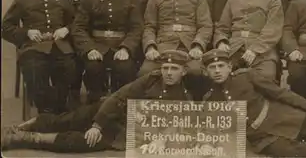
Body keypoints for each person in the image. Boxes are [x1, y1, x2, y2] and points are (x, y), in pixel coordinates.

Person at [1, 51, 194, 153]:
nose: (168, 73)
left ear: (183, 71)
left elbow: (180, 125)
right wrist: (97, 124)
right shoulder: (151, 78)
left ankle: (22, 139)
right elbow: (119, 96)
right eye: (165, 68)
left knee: (80, 141)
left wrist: (162, 139)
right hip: (113, 112)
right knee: (72, 118)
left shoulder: (186, 96)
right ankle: (20, 127)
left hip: (126, 131)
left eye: (174, 69)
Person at [2, 0, 76, 114]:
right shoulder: (23, 0)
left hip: (60, 47)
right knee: (35, 70)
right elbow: (5, 27)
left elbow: (77, 23)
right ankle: (46, 111)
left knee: (70, 68)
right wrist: (26, 32)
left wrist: (66, 29)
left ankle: (60, 108)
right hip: (33, 47)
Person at [71, 0, 143, 103]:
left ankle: (121, 106)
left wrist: (126, 48)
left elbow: (136, 28)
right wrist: (89, 49)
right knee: (93, 68)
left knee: (126, 69)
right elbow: (78, 28)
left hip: (120, 47)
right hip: (97, 46)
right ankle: (95, 105)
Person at [139, 0, 213, 78]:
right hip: (162, 47)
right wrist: (151, 47)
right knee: (145, 72)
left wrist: (198, 46)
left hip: (189, 47)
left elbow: (205, 26)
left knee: (196, 73)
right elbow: (149, 27)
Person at [214, 0, 284, 80]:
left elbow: (273, 30)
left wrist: (255, 50)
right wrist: (221, 42)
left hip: (262, 53)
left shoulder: (273, 0)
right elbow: (222, 28)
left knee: (266, 76)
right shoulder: (233, 1)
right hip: (233, 49)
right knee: (220, 75)